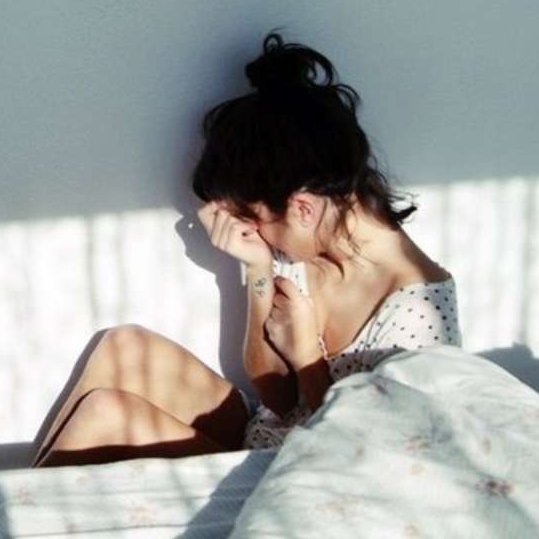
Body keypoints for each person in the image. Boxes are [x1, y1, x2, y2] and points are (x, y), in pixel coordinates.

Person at [29, 29, 461, 468]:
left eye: (254, 219)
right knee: (122, 346)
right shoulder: (308, 239)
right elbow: (276, 395)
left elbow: (366, 462)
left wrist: (308, 360)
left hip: (303, 472)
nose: (255, 233)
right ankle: (13, 496)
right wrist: (257, 269)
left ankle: (10, 505)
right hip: (268, 435)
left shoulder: (418, 315)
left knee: (105, 415)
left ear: (303, 208)